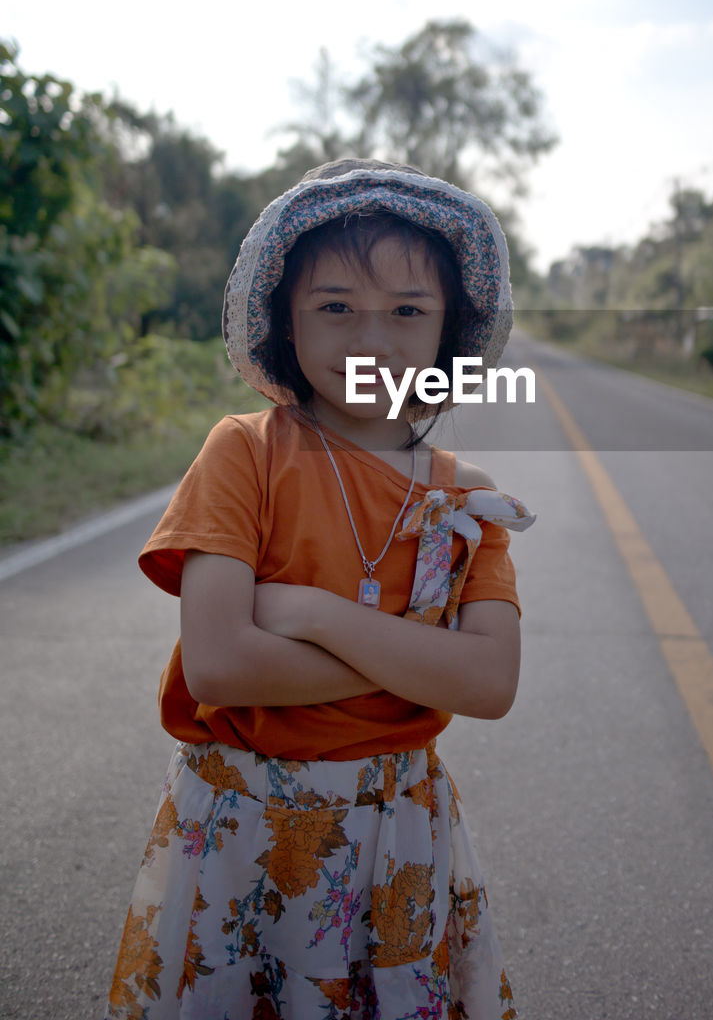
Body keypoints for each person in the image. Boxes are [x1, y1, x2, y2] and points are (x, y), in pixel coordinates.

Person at [105, 158, 535, 1020]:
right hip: (240, 828)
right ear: (284, 323)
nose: (371, 340)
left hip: (397, 831)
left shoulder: (462, 495)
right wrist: (420, 654)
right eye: (334, 307)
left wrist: (311, 614)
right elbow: (222, 665)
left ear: (450, 332)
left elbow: (490, 685)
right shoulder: (245, 454)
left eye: (408, 312)